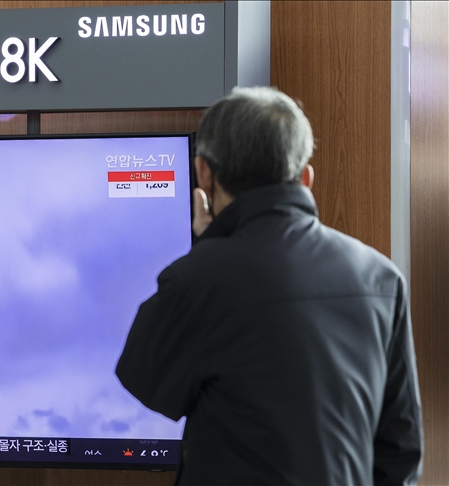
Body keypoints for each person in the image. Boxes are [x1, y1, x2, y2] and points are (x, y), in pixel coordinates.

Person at [116, 87, 423, 485]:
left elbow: (142, 380)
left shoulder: (198, 278)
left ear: (204, 173)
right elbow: (401, 449)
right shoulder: (382, 278)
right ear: (305, 177)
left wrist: (209, 248)